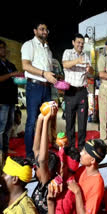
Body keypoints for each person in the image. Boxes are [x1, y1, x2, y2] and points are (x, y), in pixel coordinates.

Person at [21, 21, 57, 159]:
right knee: (32, 121)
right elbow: (25, 65)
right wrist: (44, 74)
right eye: (42, 29)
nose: (45, 32)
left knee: (46, 119)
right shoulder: (28, 45)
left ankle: (42, 151)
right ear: (35, 31)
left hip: (46, 88)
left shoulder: (48, 49)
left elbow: (48, 70)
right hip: (34, 87)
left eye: (46, 30)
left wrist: (53, 76)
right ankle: (30, 154)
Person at [62, 33, 93, 151]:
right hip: (70, 91)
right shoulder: (67, 52)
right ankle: (70, 147)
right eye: (78, 42)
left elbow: (91, 72)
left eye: (82, 43)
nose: (80, 45)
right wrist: (77, 60)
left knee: (82, 121)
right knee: (69, 121)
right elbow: (65, 64)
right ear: (73, 42)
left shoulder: (86, 55)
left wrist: (90, 69)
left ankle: (80, 147)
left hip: (82, 91)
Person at [31, 106, 60, 214]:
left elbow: (42, 159)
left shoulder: (48, 186)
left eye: (37, 167)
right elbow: (36, 149)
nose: (35, 169)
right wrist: (40, 118)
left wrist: (47, 121)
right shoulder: (45, 180)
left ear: (48, 171)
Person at [67, 139, 107, 214]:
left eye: (85, 152)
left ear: (92, 160)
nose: (81, 153)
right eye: (82, 150)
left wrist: (77, 192)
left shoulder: (97, 184)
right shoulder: (82, 169)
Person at [0, 39, 20, 168]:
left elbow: (17, 75)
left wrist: (19, 76)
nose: (3, 50)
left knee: (8, 128)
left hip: (11, 99)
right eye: (1, 47)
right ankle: (1, 152)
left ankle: (6, 150)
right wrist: (12, 74)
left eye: (4, 47)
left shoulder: (10, 64)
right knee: (1, 129)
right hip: (1, 100)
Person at [47, 146, 80, 214]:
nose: (56, 165)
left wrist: (50, 202)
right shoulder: (73, 181)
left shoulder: (67, 195)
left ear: (63, 166)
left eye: (59, 162)